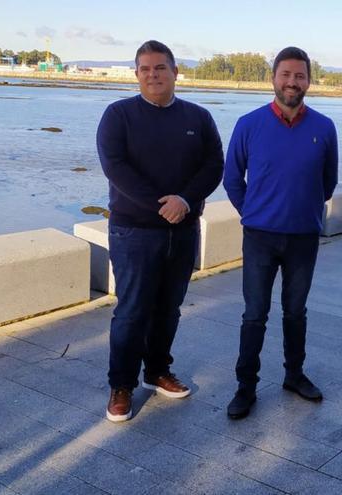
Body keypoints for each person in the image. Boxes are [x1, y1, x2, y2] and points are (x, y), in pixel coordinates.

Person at [97, 40, 224, 422]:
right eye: (146, 69)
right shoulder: (118, 115)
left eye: (161, 68)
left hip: (182, 232)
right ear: (137, 74)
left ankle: (157, 371)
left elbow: (213, 165)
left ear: (175, 72)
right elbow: (116, 168)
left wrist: (184, 200)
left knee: (168, 308)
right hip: (133, 233)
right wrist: (162, 204)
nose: (153, 75)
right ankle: (121, 385)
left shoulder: (198, 117)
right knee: (132, 311)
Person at [223, 46, 338, 419]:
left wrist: (303, 211)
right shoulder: (248, 124)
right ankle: (246, 387)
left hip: (303, 237)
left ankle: (294, 375)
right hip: (259, 236)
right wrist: (253, 213)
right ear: (273, 78)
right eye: (286, 74)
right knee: (254, 313)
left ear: (308, 80)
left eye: (300, 75)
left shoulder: (324, 127)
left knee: (295, 311)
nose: (292, 82)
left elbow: (329, 181)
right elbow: (231, 178)